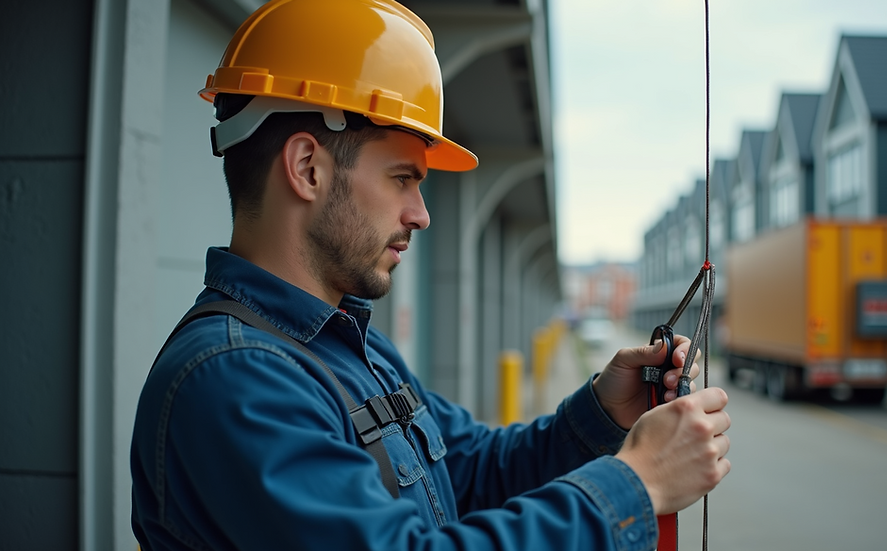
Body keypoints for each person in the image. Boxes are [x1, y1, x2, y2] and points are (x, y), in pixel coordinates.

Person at [129, 0, 732, 549]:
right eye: (402, 178)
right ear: (308, 168)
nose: (419, 215)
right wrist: (638, 483)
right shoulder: (236, 379)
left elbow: (470, 470)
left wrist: (603, 413)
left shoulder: (349, 347)